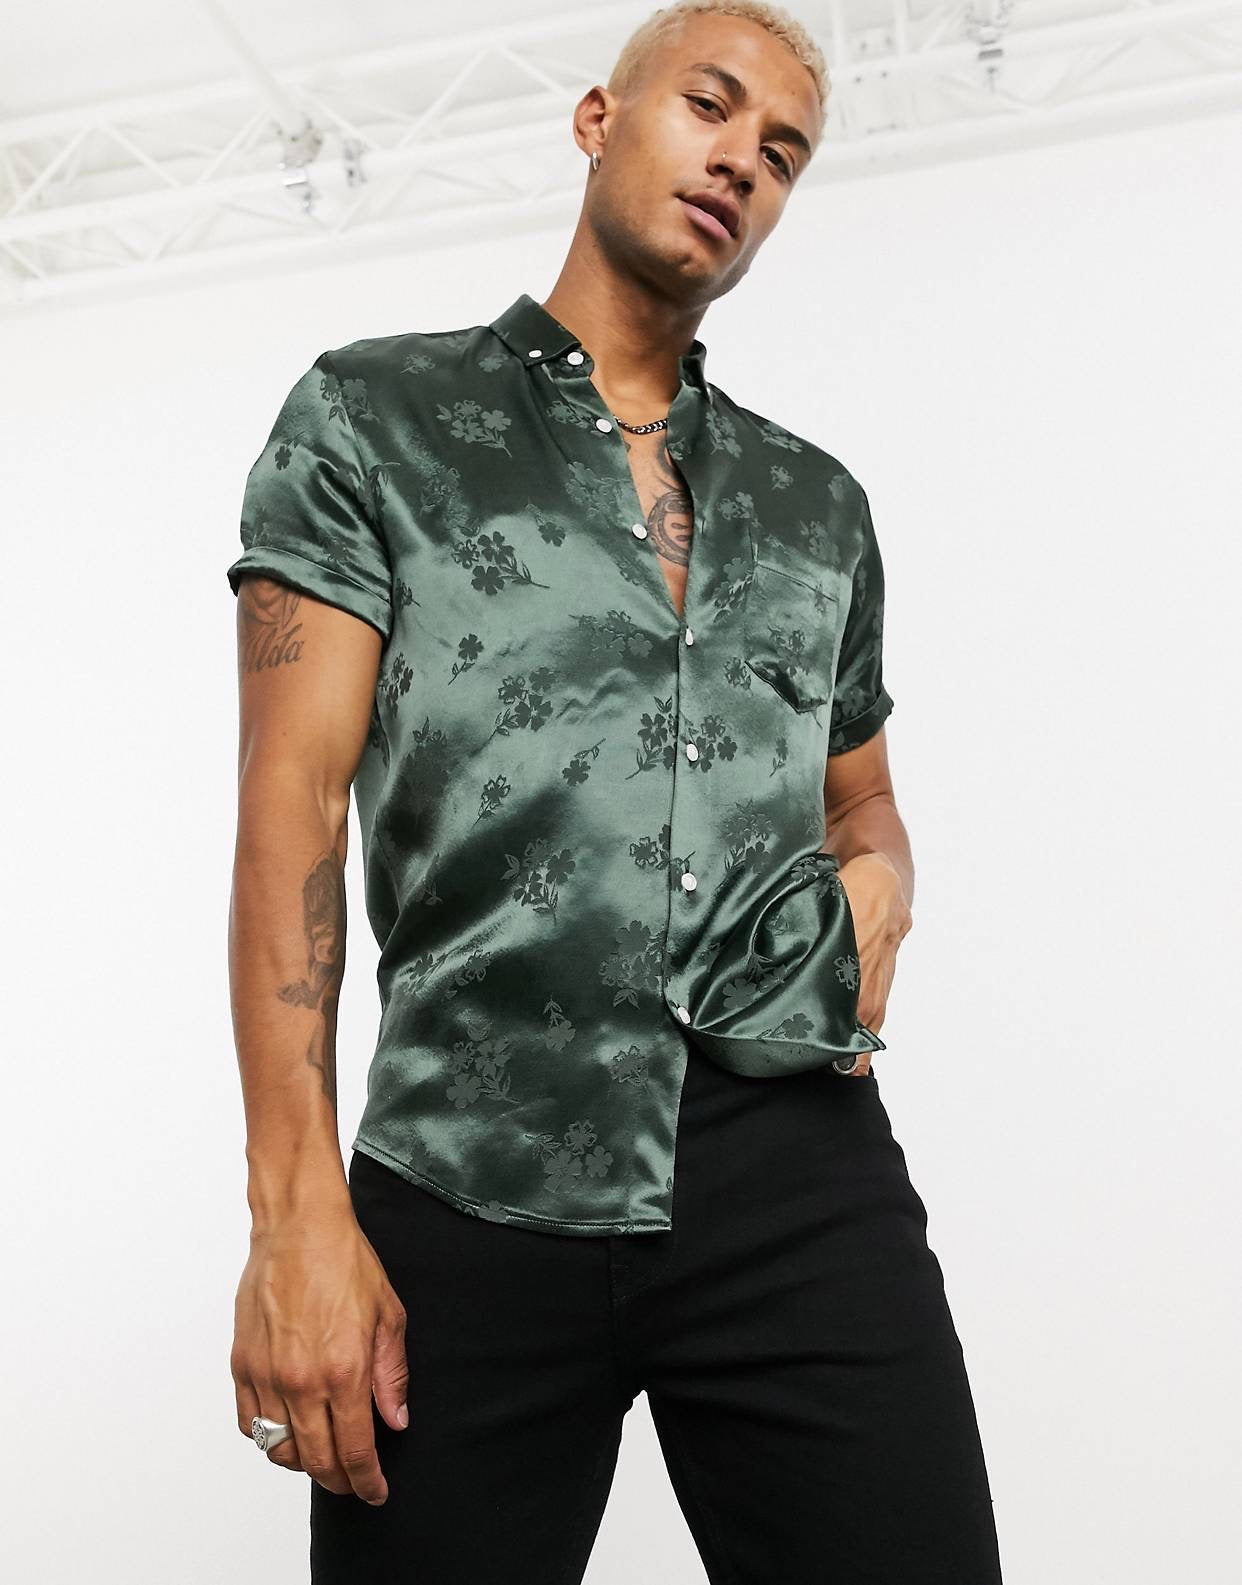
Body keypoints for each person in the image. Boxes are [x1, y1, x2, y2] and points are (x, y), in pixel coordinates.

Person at [226, 2, 1004, 1579]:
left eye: (779, 152)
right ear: (597, 117)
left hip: (792, 1167)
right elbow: (288, 803)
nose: (739, 162)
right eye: (707, 106)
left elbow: (862, 800)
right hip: (464, 1169)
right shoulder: (374, 420)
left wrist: (883, 882)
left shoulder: (816, 504)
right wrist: (293, 1212)